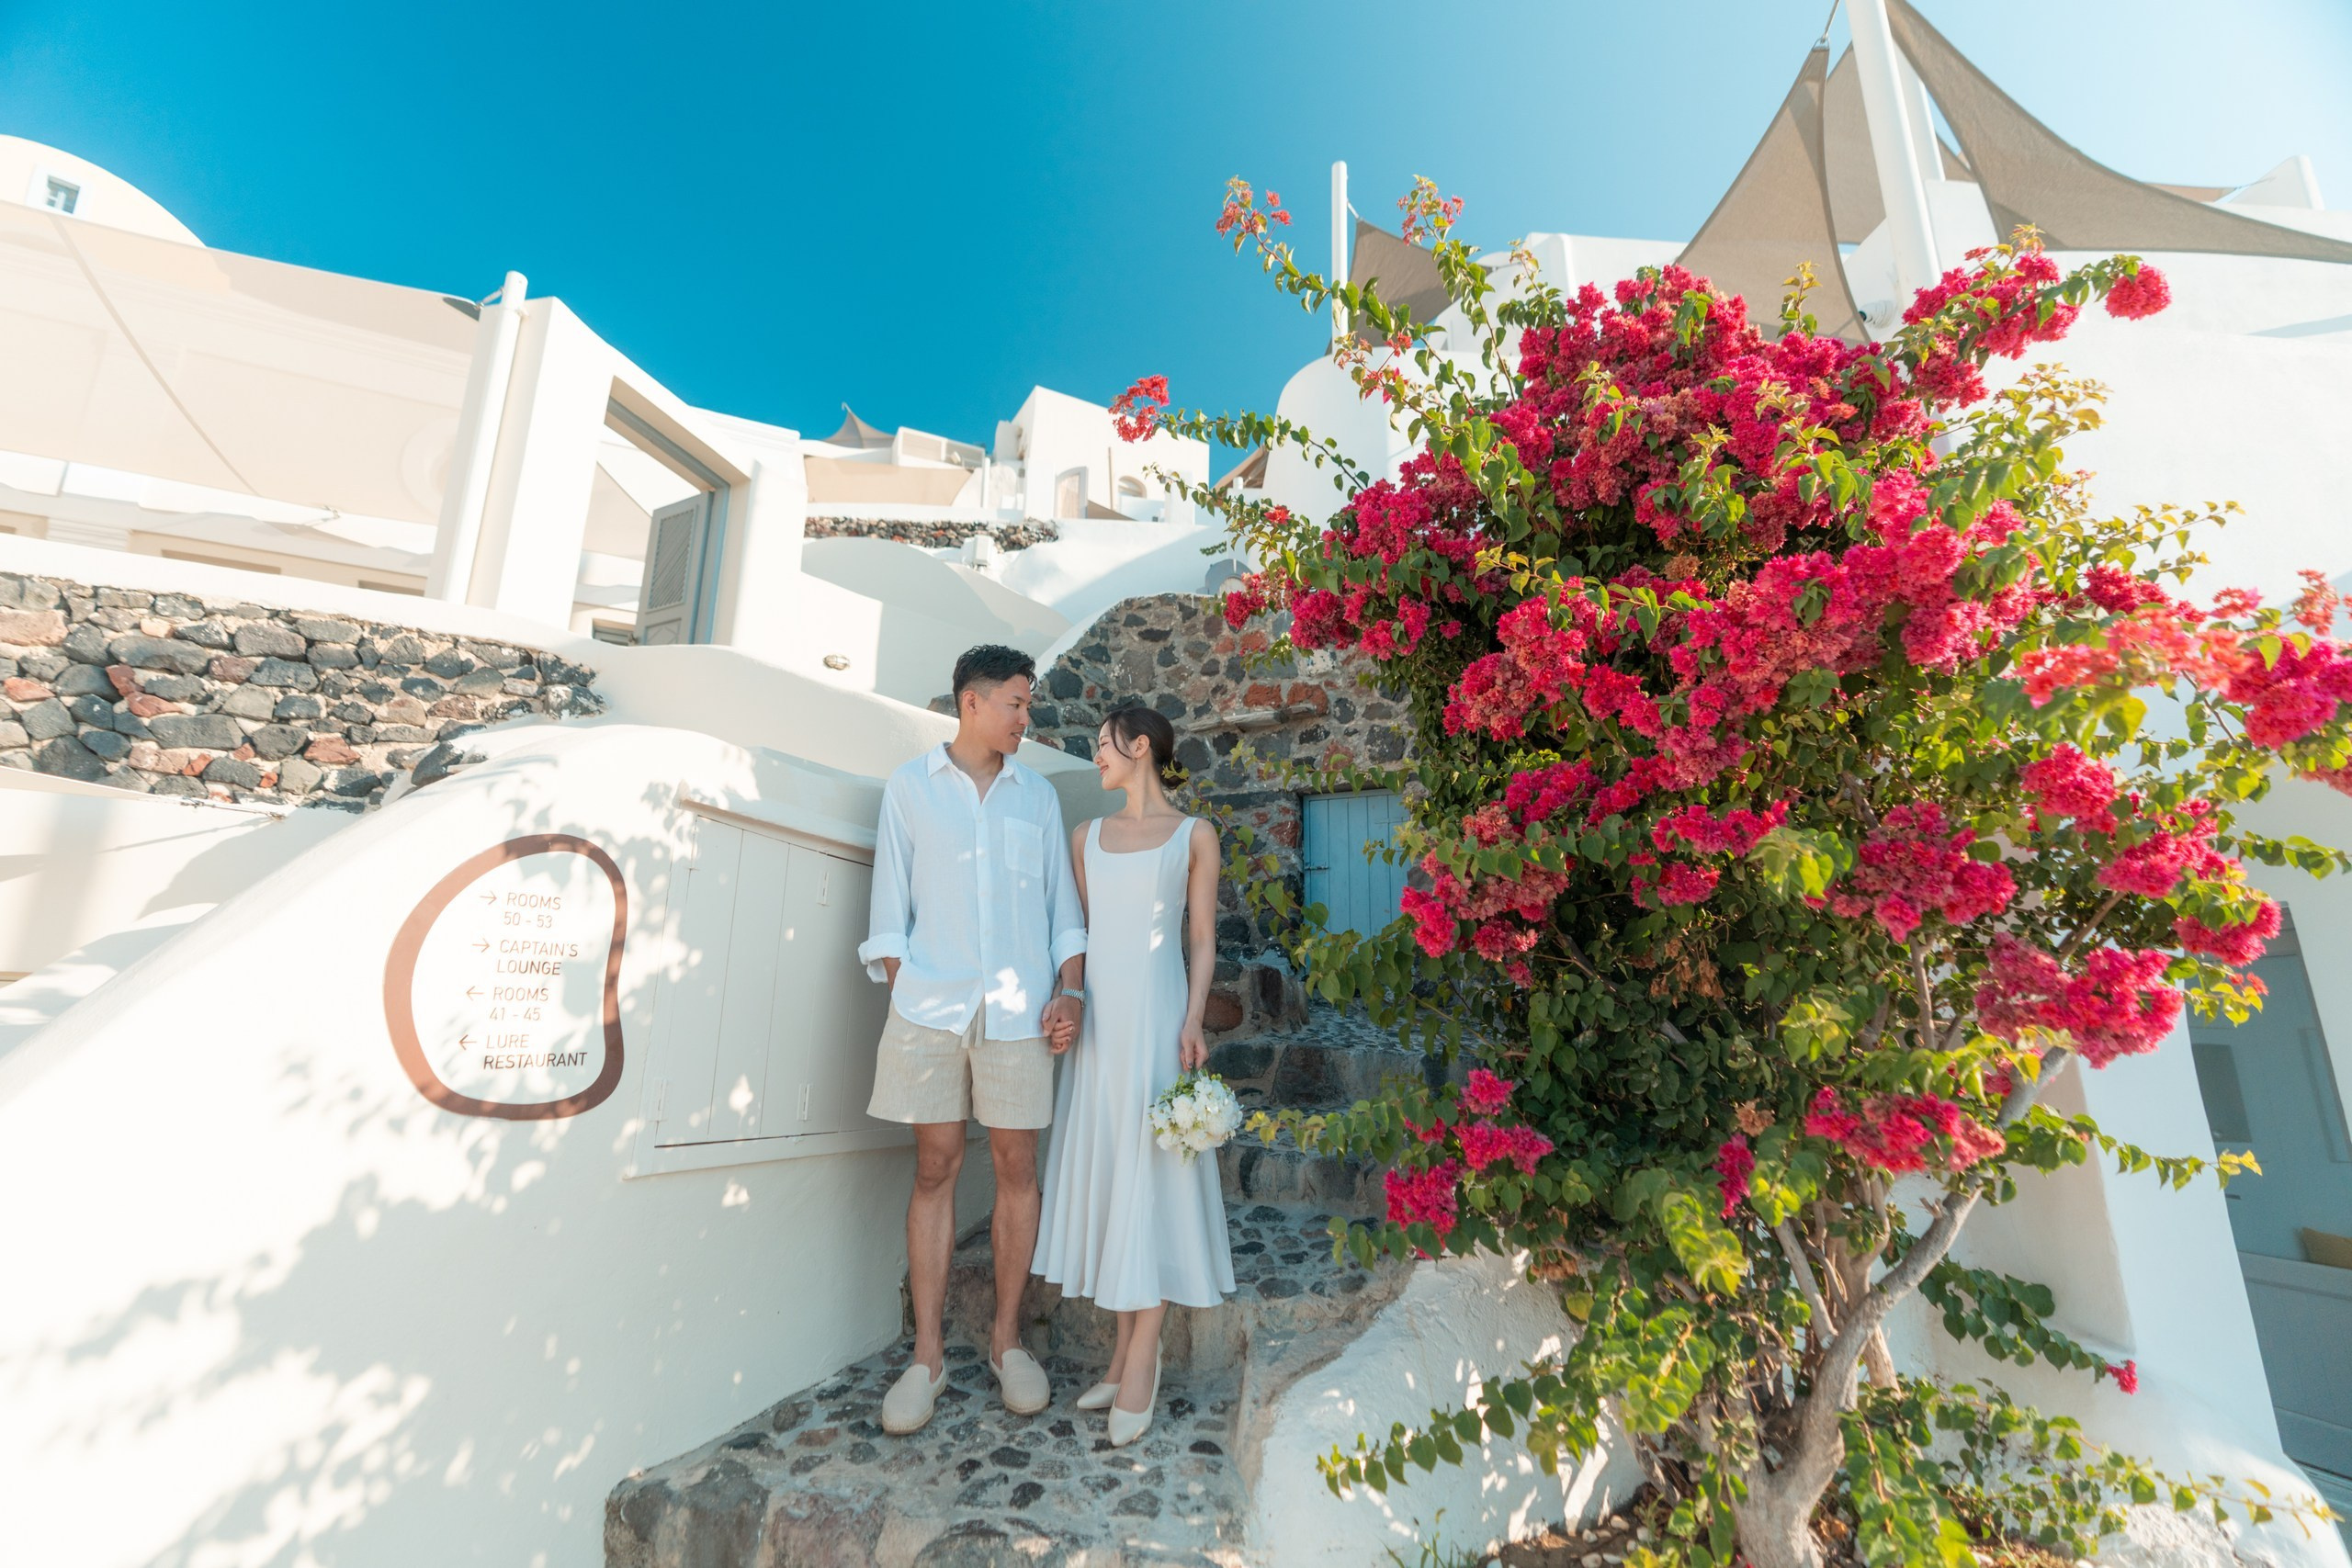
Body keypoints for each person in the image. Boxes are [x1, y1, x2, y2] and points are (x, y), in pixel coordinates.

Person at [857, 645, 1088, 1436]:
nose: (1028, 716)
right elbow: (889, 908)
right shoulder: (910, 788)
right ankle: (926, 1356)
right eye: (1018, 703)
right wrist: (908, 984)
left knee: (1019, 1165)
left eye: (1028, 704)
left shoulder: (1038, 798)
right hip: (930, 1008)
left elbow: (1064, 910)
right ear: (971, 703)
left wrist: (1073, 988)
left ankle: (1005, 1342)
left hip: (1021, 1011)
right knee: (936, 1165)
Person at [1034, 704, 1235, 1447]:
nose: (1097, 760)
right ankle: (1120, 1352)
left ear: (1140, 744)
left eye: (1103, 747)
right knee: (1115, 1174)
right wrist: (1070, 999)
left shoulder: (1196, 835)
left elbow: (1204, 939)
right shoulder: (1086, 837)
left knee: (1150, 1175)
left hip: (1155, 1020)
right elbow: (1079, 939)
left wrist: (1190, 1020)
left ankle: (1143, 1352)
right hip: (1099, 1032)